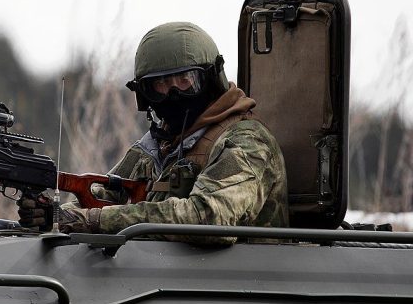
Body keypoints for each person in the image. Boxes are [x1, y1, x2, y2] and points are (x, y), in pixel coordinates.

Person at [18, 22, 288, 244]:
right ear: (145, 94)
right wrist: (53, 215)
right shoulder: (154, 146)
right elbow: (102, 201)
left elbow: (209, 218)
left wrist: (90, 222)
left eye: (185, 81)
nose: (173, 93)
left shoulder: (247, 141)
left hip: (241, 290)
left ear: (211, 79)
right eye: (160, 85)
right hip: (160, 283)